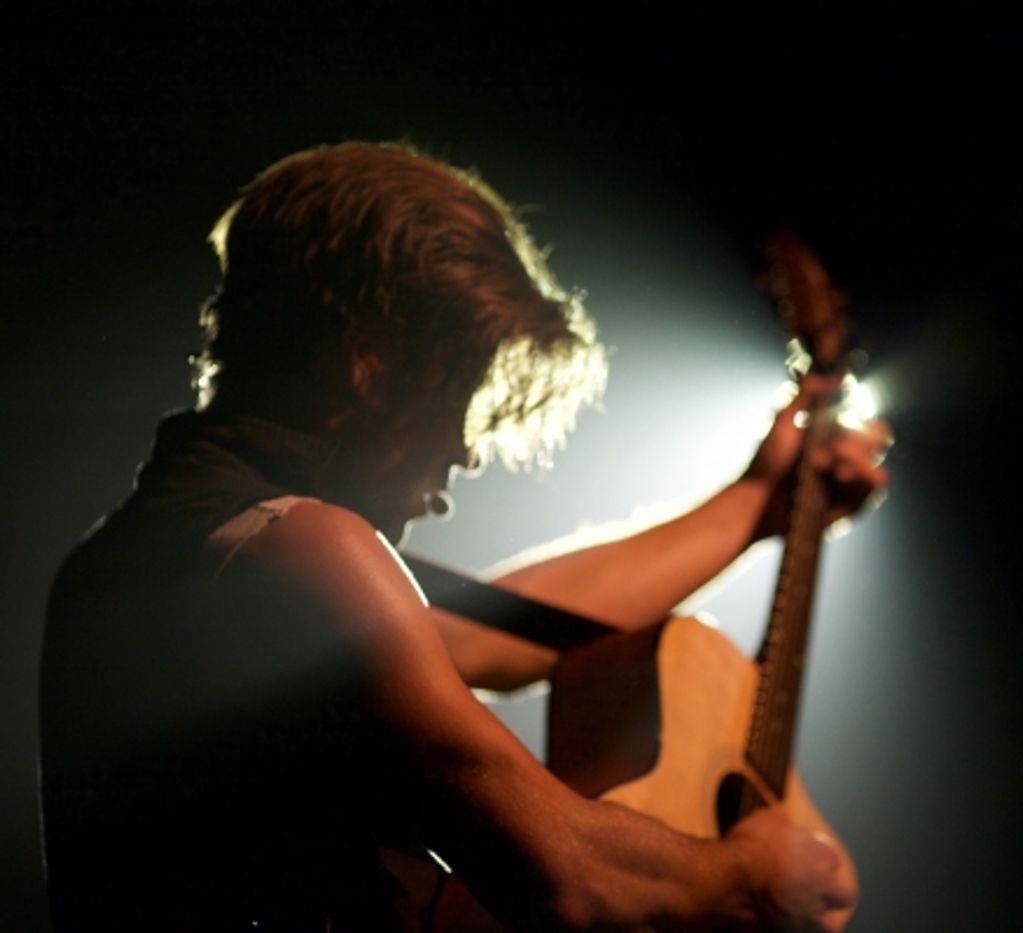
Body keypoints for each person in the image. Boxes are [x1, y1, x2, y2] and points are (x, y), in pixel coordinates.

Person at [40, 142, 889, 932]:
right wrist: (750, 872)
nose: (464, 445)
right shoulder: (302, 550)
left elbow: (507, 630)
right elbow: (574, 875)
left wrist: (755, 506)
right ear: (369, 362)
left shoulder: (149, 558)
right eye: (460, 391)